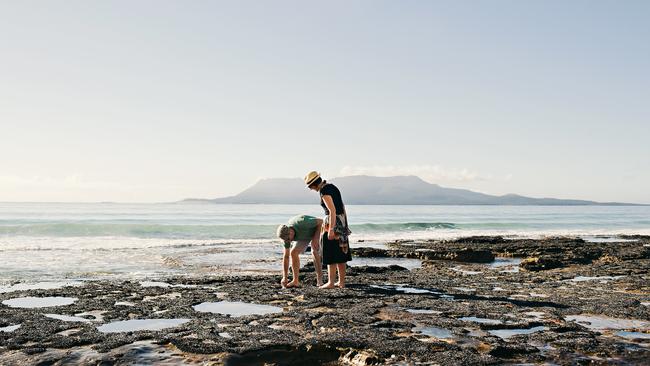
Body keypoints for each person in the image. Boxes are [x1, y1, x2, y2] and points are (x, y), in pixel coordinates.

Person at [304, 171, 352, 289]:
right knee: (341, 253)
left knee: (330, 253)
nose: (311, 189)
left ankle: (331, 282)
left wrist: (331, 229)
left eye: (310, 187)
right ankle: (341, 282)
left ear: (314, 184)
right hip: (342, 221)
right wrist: (345, 224)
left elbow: (332, 211)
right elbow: (342, 206)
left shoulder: (324, 191)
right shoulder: (332, 187)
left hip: (332, 222)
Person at [276, 214, 323, 288]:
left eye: (289, 239)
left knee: (314, 250)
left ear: (290, 231)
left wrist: (316, 238)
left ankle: (320, 280)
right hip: (304, 236)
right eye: (287, 240)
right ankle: (295, 281)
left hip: (318, 230)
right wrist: (284, 277)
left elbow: (321, 222)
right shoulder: (286, 238)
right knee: (293, 253)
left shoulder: (302, 222)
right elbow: (286, 257)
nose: (289, 241)